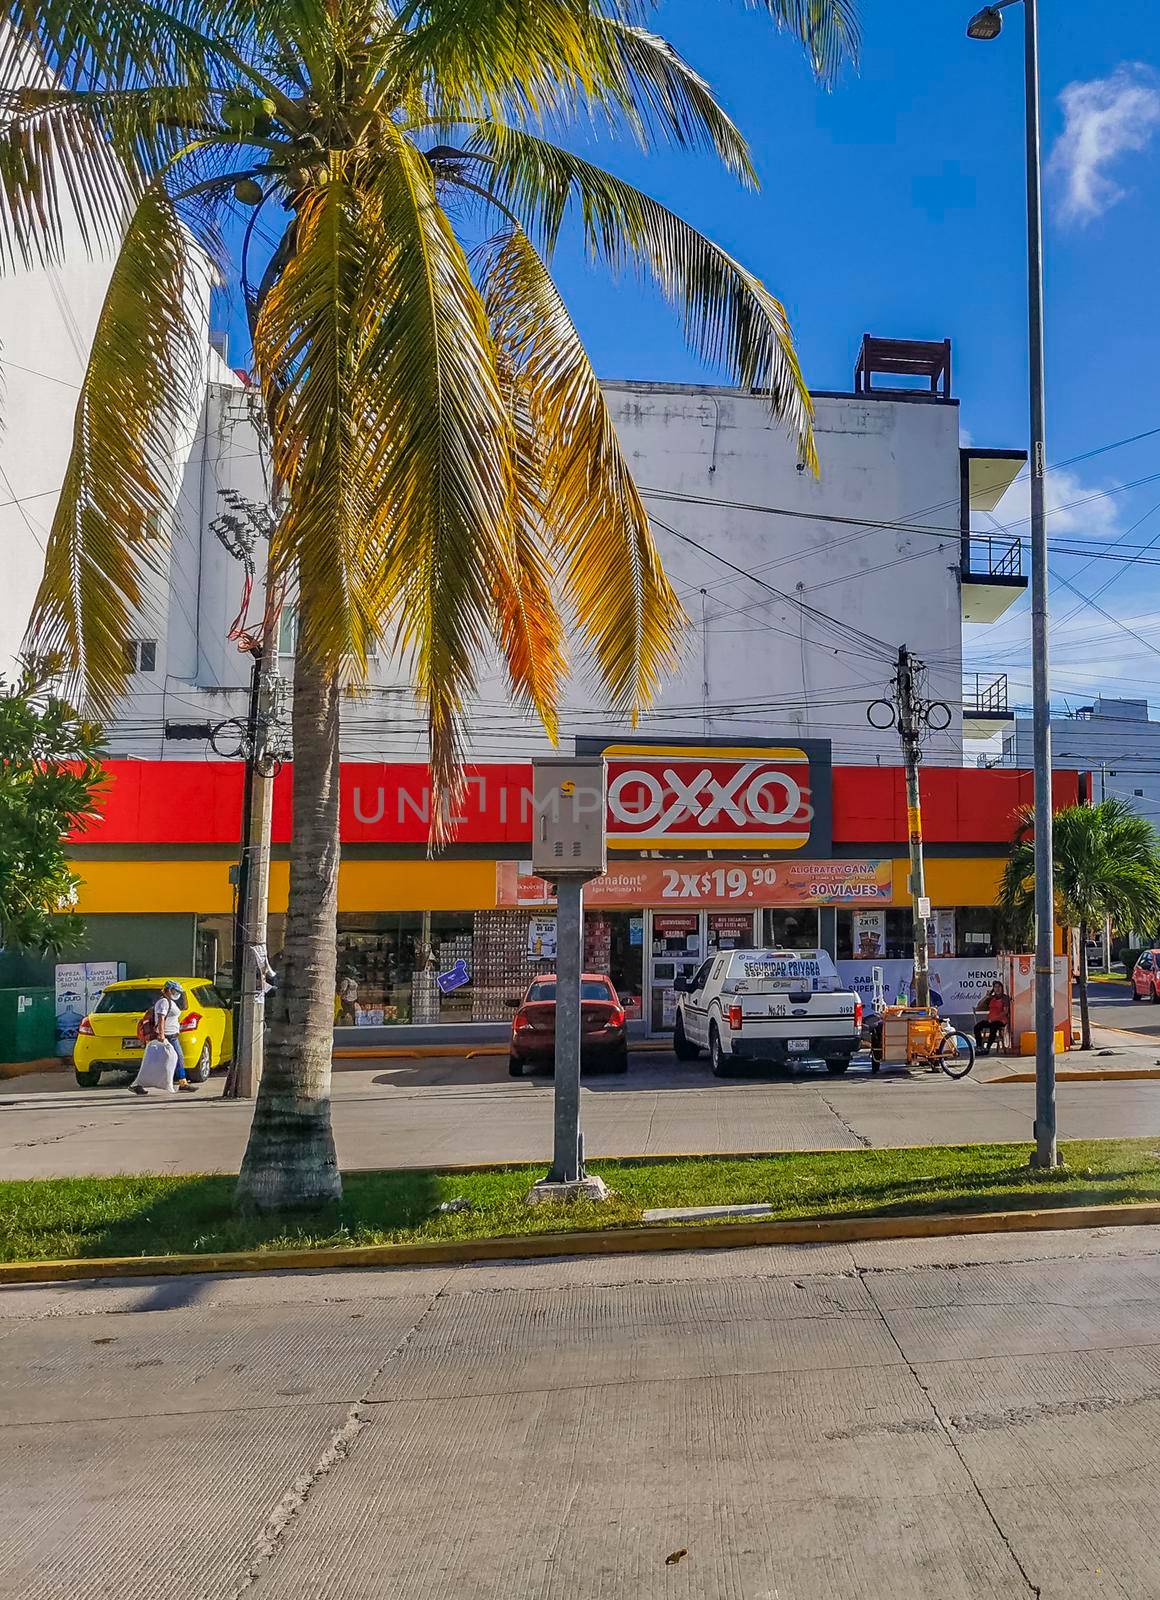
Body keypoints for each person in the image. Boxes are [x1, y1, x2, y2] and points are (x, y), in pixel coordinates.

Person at [131, 980, 197, 1095]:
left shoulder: (170, 1002)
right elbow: (161, 1019)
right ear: (168, 990)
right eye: (175, 991)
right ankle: (137, 1084)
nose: (177, 994)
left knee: (171, 1059)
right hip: (165, 1036)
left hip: (172, 1036)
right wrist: (161, 1034)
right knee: (156, 1061)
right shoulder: (163, 1002)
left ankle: (182, 1082)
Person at [974, 981, 1010, 1055]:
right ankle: (979, 1046)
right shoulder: (992, 998)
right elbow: (979, 1005)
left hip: (1000, 1020)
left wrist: (993, 1019)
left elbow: (1005, 1011)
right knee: (977, 1026)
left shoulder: (1005, 998)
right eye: (995, 987)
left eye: (999, 987)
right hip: (990, 1020)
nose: (997, 989)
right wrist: (986, 997)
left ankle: (988, 1047)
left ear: (1002, 988)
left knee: (993, 1027)